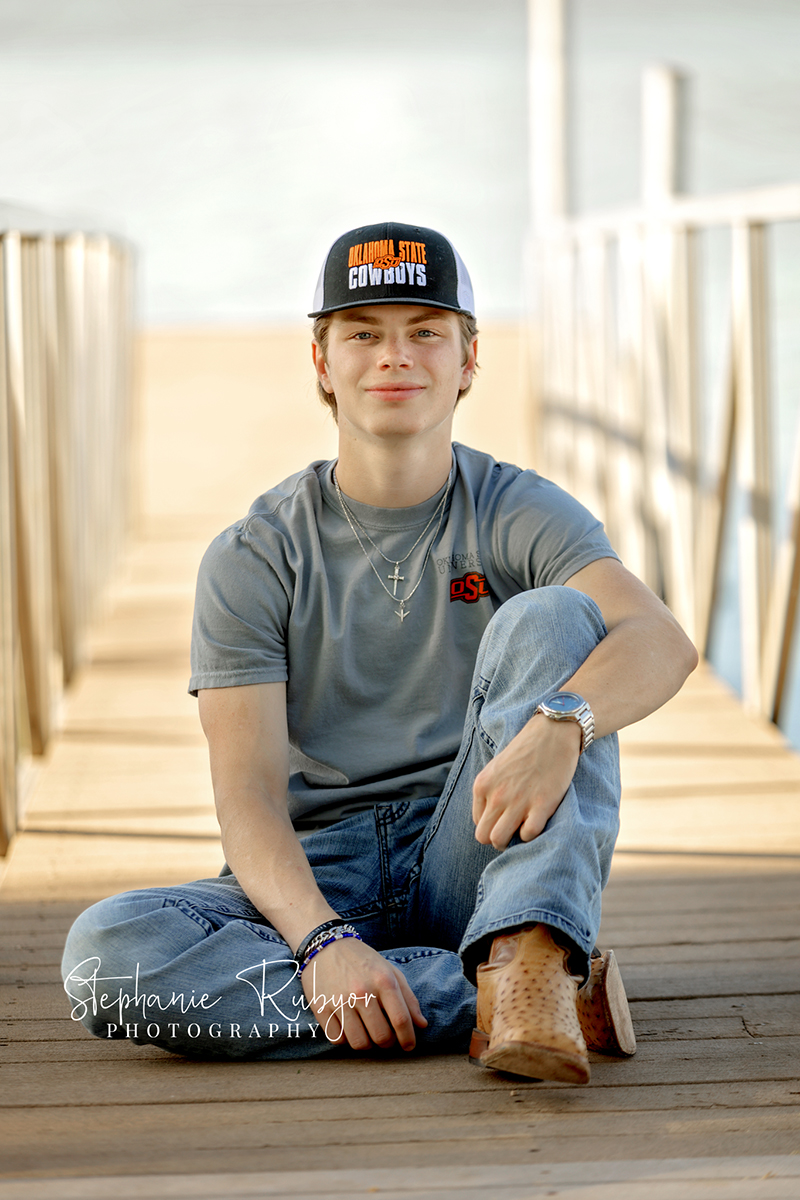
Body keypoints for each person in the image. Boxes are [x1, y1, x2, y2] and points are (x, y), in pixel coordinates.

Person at [62, 222, 697, 1083]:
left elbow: (659, 639)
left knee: (554, 616)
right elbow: (247, 796)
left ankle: (519, 946)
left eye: (425, 331)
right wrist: (321, 940)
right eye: (362, 333)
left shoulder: (519, 508)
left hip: (475, 847)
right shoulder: (255, 554)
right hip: (321, 870)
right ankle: (510, 995)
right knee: (107, 958)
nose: (394, 357)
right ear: (322, 363)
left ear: (469, 360)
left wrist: (563, 723)